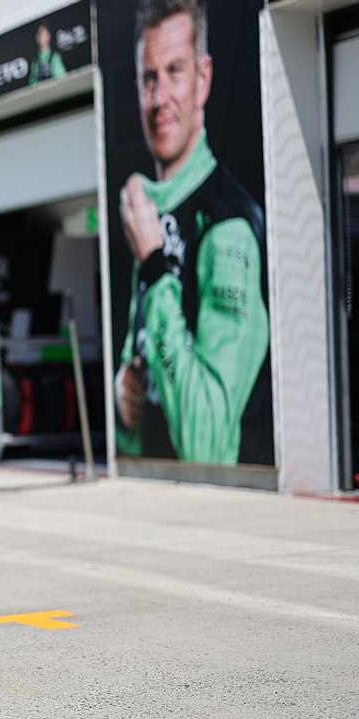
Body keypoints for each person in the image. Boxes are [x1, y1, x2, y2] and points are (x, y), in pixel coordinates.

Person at [114, 0, 271, 465]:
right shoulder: (146, 211)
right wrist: (126, 392)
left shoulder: (228, 226)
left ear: (203, 79)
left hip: (224, 508)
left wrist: (155, 266)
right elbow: (141, 377)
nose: (160, 98)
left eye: (175, 72)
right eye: (149, 78)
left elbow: (206, 442)